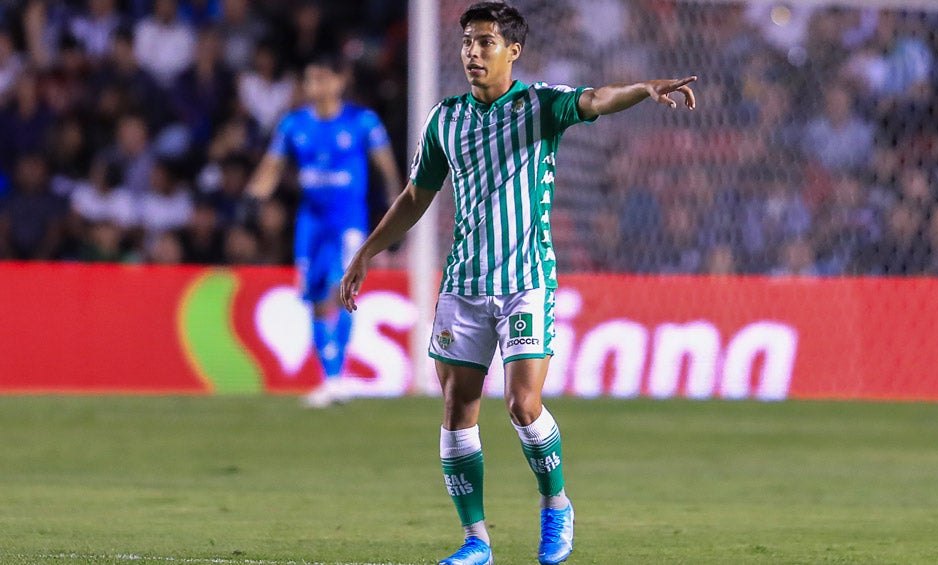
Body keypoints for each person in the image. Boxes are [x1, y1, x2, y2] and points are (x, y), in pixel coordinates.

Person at [338, 3, 696, 564]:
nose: (472, 53)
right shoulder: (444, 119)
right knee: (457, 409)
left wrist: (643, 89)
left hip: (526, 279)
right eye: (467, 43)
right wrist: (367, 251)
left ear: (513, 51)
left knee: (523, 405)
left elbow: (596, 99)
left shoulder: (541, 105)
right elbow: (415, 198)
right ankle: (476, 541)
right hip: (463, 285)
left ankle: (556, 506)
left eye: (484, 43)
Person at [249, 53, 401, 407]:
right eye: (308, 80)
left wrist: (397, 211)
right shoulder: (293, 124)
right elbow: (271, 167)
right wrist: (252, 198)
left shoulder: (362, 122)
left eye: (320, 79)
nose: (313, 87)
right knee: (315, 297)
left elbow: (387, 168)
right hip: (311, 223)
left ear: (338, 81)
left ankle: (340, 374)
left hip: (349, 222)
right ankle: (331, 378)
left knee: (340, 289)